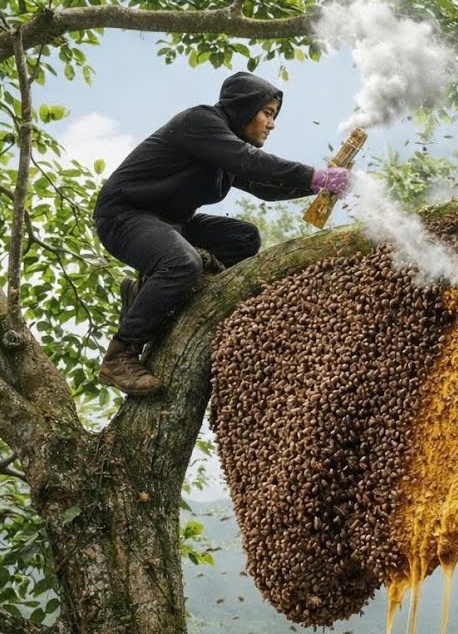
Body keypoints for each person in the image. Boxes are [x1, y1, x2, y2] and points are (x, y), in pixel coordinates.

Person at [92, 71, 349, 396]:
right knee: (182, 263)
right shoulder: (200, 122)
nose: (272, 124)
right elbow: (252, 163)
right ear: (244, 107)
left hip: (171, 223)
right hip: (124, 216)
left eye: (274, 116)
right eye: (267, 113)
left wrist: (317, 187)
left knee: (243, 238)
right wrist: (316, 176)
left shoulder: (227, 150)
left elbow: (262, 187)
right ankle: (120, 356)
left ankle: (157, 295)